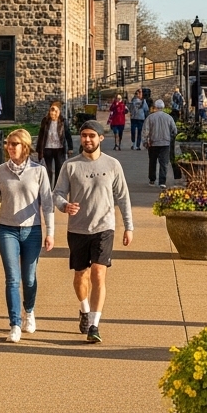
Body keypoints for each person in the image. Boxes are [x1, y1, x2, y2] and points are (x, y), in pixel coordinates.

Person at [53, 121, 133, 344]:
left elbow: (123, 196)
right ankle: (84, 309)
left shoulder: (113, 164)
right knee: (81, 275)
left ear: (100, 138)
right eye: (84, 135)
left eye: (91, 136)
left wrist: (129, 226)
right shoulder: (70, 166)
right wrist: (64, 206)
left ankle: (94, 325)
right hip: (78, 228)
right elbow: (57, 193)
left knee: (98, 273)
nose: (87, 139)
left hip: (104, 227)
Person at [0, 128, 54, 343]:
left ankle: (29, 311)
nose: (10, 147)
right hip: (7, 229)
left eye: (14, 144)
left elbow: (47, 203)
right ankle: (15, 324)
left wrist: (50, 232)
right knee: (12, 278)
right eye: (8, 144)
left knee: (29, 278)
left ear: (25, 147)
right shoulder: (0, 171)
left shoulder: (38, 171)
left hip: (32, 230)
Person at [142, 98, 178, 188]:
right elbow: (174, 130)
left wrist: (145, 141)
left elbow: (145, 131)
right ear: (163, 107)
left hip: (153, 143)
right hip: (165, 143)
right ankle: (162, 181)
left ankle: (152, 179)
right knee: (164, 163)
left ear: (155, 107)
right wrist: (170, 137)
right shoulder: (169, 117)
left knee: (152, 162)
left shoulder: (150, 117)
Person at [38, 101, 73, 184]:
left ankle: (57, 189)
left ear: (59, 111)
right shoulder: (45, 121)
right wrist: (39, 150)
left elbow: (68, 135)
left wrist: (70, 148)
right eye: (52, 110)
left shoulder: (63, 121)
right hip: (47, 148)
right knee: (48, 170)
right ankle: (48, 188)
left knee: (59, 169)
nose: (53, 113)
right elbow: (41, 135)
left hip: (59, 149)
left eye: (56, 111)